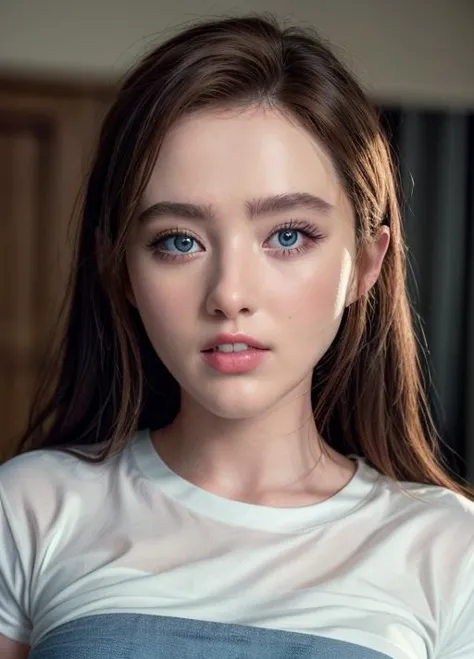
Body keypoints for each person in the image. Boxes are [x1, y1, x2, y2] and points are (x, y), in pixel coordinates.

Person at [0, 14, 473, 659]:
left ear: (365, 263)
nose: (228, 294)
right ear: (124, 272)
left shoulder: (449, 549)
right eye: (179, 241)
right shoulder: (31, 508)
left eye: (287, 235)